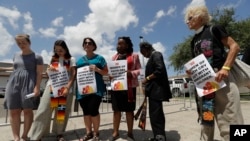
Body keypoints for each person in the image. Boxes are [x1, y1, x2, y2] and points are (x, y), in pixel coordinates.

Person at [185, 5, 244, 141]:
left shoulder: (214, 29)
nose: (187, 22)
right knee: (206, 121)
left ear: (200, 17)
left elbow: (234, 46)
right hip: (205, 83)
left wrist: (225, 68)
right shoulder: (193, 41)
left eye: (190, 18)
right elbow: (197, 62)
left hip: (222, 78)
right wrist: (191, 71)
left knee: (232, 119)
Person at [29, 40, 76, 141]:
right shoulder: (54, 59)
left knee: (60, 113)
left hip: (64, 90)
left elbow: (73, 75)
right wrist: (48, 70)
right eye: (56, 50)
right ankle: (37, 135)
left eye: (61, 50)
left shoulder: (71, 59)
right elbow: (48, 73)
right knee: (43, 110)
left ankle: (59, 133)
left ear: (65, 49)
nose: (58, 52)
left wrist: (67, 87)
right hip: (52, 87)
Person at [0, 34, 44, 141]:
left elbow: (39, 73)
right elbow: (16, 67)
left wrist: (37, 87)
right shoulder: (15, 55)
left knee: (27, 110)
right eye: (19, 43)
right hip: (13, 83)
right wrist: (2, 69)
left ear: (29, 42)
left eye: (23, 42)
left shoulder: (37, 57)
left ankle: (25, 136)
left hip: (29, 83)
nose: (21, 45)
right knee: (13, 110)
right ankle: (16, 137)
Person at [76, 37, 108, 141]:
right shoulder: (79, 60)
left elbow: (106, 72)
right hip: (83, 90)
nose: (87, 44)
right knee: (86, 111)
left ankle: (96, 133)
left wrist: (97, 69)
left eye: (89, 43)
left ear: (94, 46)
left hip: (96, 89)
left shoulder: (100, 58)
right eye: (85, 43)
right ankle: (88, 132)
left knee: (93, 110)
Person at [109, 36, 141, 141]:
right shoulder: (114, 57)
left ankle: (130, 133)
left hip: (129, 87)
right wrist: (110, 76)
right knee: (116, 111)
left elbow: (140, 70)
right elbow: (110, 71)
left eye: (121, 43)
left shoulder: (134, 56)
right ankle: (115, 132)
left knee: (129, 111)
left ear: (127, 45)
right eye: (118, 43)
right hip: (117, 87)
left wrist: (131, 73)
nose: (119, 45)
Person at [139, 41, 172, 141]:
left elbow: (159, 70)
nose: (144, 56)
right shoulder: (152, 57)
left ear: (146, 48)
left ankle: (160, 137)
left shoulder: (156, 55)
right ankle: (158, 136)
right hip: (153, 91)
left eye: (143, 53)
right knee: (155, 114)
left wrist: (147, 79)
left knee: (156, 115)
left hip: (157, 91)